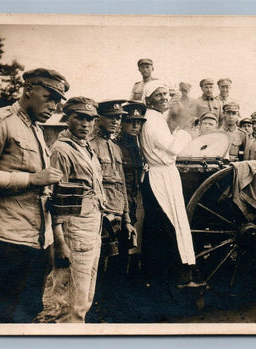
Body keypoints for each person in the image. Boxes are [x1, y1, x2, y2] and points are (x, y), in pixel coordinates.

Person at [0, 68, 68, 323]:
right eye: (49, 97)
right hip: (2, 241)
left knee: (25, 315)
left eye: (57, 101)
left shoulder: (36, 129)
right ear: (28, 90)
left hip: (34, 244)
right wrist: (31, 179)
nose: (54, 107)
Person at [40, 97, 105, 323]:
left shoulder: (86, 147)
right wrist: (60, 242)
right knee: (67, 303)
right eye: (80, 118)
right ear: (67, 118)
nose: (86, 124)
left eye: (91, 119)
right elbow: (53, 197)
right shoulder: (61, 150)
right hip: (73, 232)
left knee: (83, 299)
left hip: (91, 230)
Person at [139, 80, 204, 288]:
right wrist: (185, 132)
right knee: (166, 223)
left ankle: (159, 276)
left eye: (167, 94)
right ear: (148, 99)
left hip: (162, 174)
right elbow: (172, 149)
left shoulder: (155, 118)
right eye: (159, 95)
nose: (165, 98)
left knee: (162, 223)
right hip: (161, 176)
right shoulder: (151, 120)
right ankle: (173, 276)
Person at [88, 99, 136, 272]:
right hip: (100, 219)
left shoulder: (116, 148)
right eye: (111, 117)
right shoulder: (89, 145)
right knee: (97, 268)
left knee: (118, 270)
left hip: (118, 220)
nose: (116, 121)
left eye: (119, 118)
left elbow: (121, 186)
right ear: (98, 118)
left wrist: (127, 221)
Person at [116, 101, 147, 275]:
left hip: (134, 200)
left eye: (139, 122)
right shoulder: (116, 146)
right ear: (121, 122)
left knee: (130, 243)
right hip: (120, 200)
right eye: (130, 121)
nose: (135, 125)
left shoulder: (138, 147)